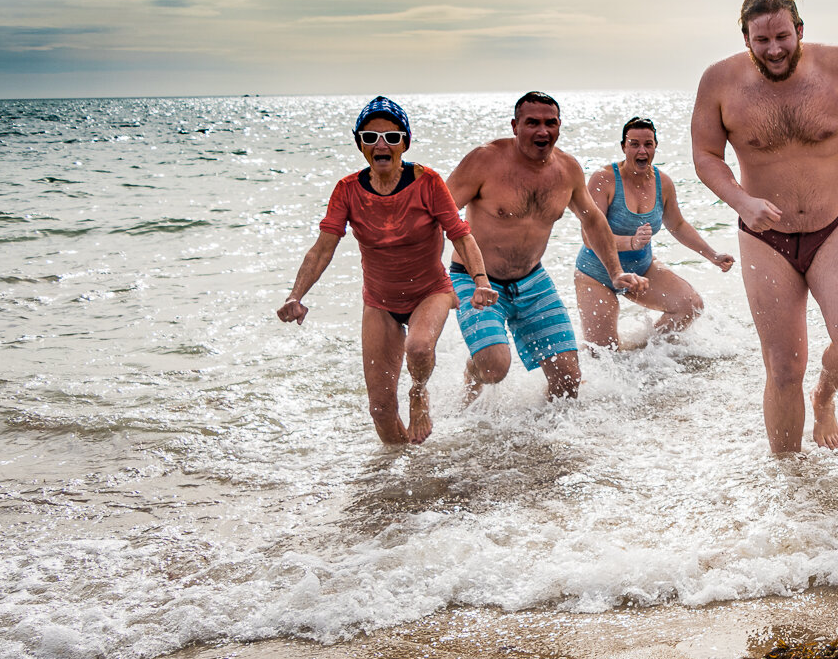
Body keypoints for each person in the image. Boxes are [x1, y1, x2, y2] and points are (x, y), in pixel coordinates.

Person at [691, 0, 838, 452]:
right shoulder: (719, 81)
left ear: (799, 30)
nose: (773, 50)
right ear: (746, 38)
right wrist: (741, 201)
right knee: (784, 367)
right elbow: (706, 155)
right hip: (764, 237)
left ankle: (826, 395)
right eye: (761, 41)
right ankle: (791, 485)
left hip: (834, 225)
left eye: (782, 37)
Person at [277, 97, 497, 445]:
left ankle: (419, 391)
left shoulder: (428, 182)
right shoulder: (347, 190)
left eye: (392, 138)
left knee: (420, 348)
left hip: (431, 292)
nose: (382, 145)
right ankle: (401, 476)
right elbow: (322, 249)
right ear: (360, 143)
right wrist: (295, 295)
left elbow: (461, 235)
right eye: (371, 137)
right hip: (380, 301)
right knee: (380, 410)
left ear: (405, 143)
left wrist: (480, 281)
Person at [444, 92, 644, 401]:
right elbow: (438, 214)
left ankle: (544, 444)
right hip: (474, 279)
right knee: (494, 368)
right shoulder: (484, 161)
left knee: (569, 382)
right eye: (532, 123)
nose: (542, 131)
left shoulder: (567, 170)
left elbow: (593, 221)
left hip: (532, 281)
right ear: (515, 126)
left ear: (559, 125)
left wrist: (616, 272)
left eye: (550, 123)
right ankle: (475, 371)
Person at [574, 116, 735, 350]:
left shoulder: (664, 183)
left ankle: (644, 355)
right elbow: (589, 236)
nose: (642, 150)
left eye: (648, 144)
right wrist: (631, 242)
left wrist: (712, 255)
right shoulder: (604, 179)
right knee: (603, 351)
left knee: (689, 306)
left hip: (641, 269)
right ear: (623, 147)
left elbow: (677, 225)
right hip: (596, 274)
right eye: (634, 144)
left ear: (655, 147)